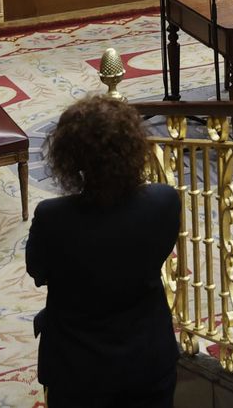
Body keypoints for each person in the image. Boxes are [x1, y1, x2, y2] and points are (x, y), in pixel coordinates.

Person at [27, 96, 181, 408]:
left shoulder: (52, 217)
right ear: (134, 148)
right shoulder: (164, 201)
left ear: (71, 158)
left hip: (77, 368)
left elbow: (38, 273)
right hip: (148, 359)